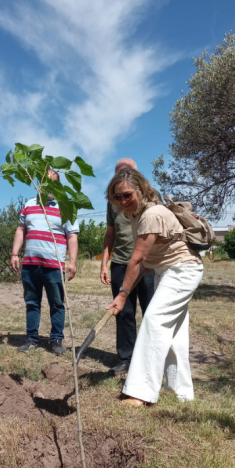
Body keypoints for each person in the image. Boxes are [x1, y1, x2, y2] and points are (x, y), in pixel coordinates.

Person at [103, 168, 205, 407]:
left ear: (141, 190)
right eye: (117, 197)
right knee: (175, 334)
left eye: (127, 195)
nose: (123, 201)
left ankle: (140, 392)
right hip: (167, 270)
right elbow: (149, 256)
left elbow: (136, 259)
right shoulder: (135, 215)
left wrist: (122, 294)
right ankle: (180, 391)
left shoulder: (151, 214)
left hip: (182, 270)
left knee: (153, 321)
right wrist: (150, 264)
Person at [11, 169, 79, 354]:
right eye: (44, 182)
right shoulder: (29, 204)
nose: (48, 186)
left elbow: (72, 236)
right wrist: (15, 253)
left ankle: (56, 340)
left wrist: (72, 262)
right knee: (32, 302)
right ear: (39, 184)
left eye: (53, 182)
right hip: (30, 264)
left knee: (57, 303)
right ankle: (31, 338)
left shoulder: (66, 206)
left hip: (54, 265)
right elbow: (21, 230)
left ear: (57, 185)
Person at [99, 157, 155, 373]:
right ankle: (126, 358)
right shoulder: (113, 201)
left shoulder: (151, 197)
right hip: (121, 263)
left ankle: (150, 359)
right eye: (118, 172)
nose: (122, 176)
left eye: (127, 171)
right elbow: (110, 233)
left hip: (148, 264)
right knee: (123, 312)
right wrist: (104, 263)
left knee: (151, 312)